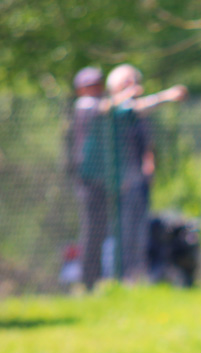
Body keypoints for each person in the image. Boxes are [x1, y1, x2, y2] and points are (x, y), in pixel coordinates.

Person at [103, 64, 187, 282]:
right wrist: (166, 96)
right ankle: (117, 276)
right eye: (127, 82)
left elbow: (146, 142)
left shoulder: (137, 112)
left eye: (135, 81)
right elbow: (131, 107)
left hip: (137, 181)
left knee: (139, 230)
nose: (133, 86)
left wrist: (149, 164)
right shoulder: (109, 108)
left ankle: (137, 275)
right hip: (116, 182)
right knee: (120, 233)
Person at [66, 66, 110, 291]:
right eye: (90, 85)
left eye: (98, 84)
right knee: (91, 230)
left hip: (101, 180)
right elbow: (103, 107)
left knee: (100, 231)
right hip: (87, 180)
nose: (96, 89)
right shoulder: (84, 106)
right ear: (80, 89)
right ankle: (87, 280)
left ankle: (96, 278)